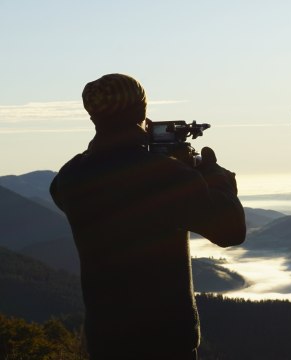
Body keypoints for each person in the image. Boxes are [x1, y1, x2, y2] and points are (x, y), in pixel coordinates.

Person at [50, 73, 246, 359]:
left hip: (105, 338)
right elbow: (231, 231)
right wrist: (214, 176)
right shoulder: (165, 174)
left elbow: (101, 185)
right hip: (165, 338)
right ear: (142, 111)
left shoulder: (70, 177)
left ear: (93, 117)